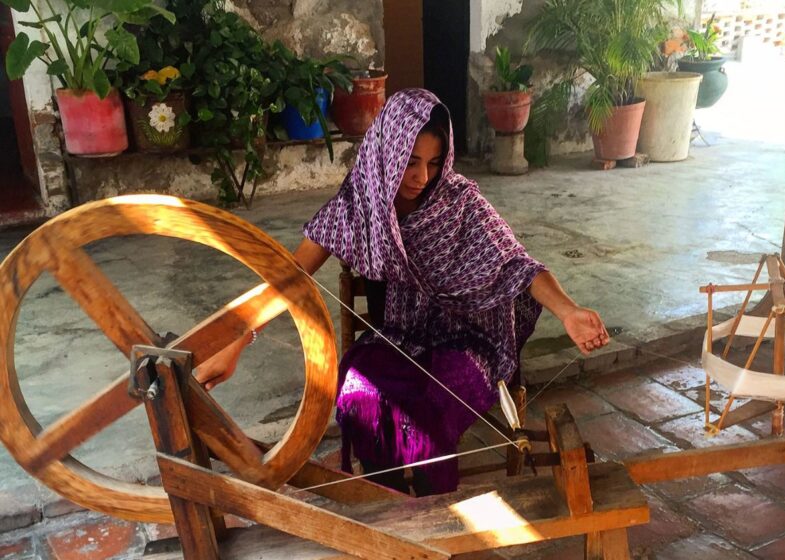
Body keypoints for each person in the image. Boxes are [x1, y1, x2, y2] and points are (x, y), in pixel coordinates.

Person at [196, 88, 609, 495]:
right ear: (386, 152)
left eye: (432, 162)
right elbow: (290, 274)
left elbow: (519, 265)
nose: (422, 177)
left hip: (470, 340)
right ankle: (384, 502)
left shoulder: (461, 201)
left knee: (429, 412)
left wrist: (568, 311)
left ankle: (435, 511)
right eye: (410, 162)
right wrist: (235, 341)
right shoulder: (360, 205)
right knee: (361, 397)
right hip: (400, 338)